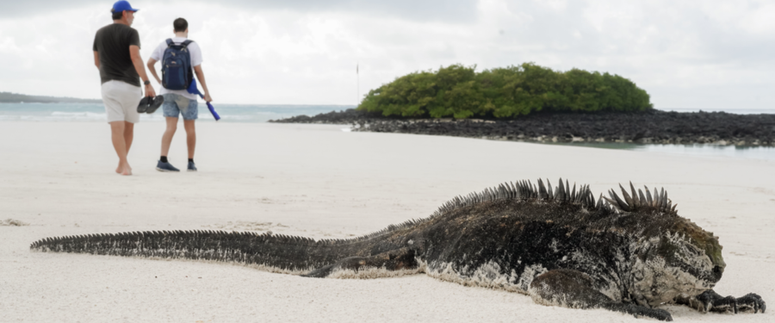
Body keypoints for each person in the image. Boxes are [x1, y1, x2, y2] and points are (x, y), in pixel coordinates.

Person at [93, 1, 156, 176]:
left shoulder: (99, 33)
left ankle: (123, 164)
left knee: (116, 128)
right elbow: (135, 57)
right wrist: (147, 82)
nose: (133, 16)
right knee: (129, 127)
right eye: (132, 13)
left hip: (109, 86)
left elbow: (97, 62)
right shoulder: (131, 33)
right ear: (124, 14)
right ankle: (124, 164)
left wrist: (108, 76)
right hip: (131, 86)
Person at [147, 18, 212, 172]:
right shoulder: (193, 46)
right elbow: (198, 70)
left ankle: (163, 160)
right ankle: (190, 162)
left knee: (170, 127)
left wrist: (159, 80)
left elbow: (149, 63)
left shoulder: (164, 44)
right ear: (187, 29)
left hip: (167, 92)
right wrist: (206, 92)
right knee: (190, 128)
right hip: (187, 94)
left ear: (173, 29)